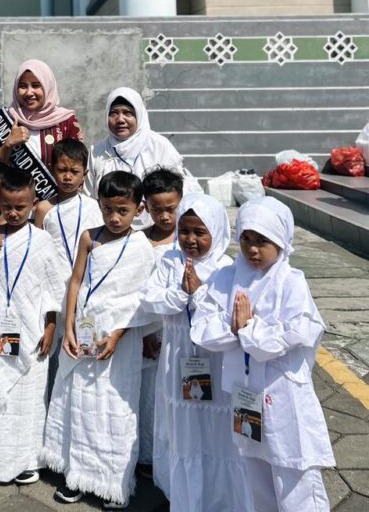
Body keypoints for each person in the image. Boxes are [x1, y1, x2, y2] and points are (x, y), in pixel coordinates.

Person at [191, 197, 334, 512]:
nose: (252, 249)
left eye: (262, 241)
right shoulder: (226, 278)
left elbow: (299, 331)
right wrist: (233, 328)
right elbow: (202, 328)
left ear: (280, 241)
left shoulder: (290, 282)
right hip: (245, 396)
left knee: (293, 473)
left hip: (282, 394)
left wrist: (249, 330)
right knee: (256, 477)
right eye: (246, 239)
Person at [42, 171, 156, 509]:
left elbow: (141, 298)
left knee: (113, 409)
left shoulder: (141, 246)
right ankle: (76, 475)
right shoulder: (89, 237)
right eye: (108, 209)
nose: (114, 218)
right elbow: (75, 282)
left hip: (118, 341)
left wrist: (118, 334)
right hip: (84, 333)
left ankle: (112, 483)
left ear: (139, 209)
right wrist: (69, 327)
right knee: (78, 403)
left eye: (123, 210)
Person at [140, 193, 251, 512]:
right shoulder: (169, 261)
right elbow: (149, 299)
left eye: (199, 232)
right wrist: (180, 293)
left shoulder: (227, 268)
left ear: (216, 231)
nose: (190, 239)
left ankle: (220, 497)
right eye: (184, 231)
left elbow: (231, 316)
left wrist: (199, 293)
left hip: (214, 360)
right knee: (183, 426)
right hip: (179, 358)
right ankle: (185, 497)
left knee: (216, 428)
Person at [0, 168, 63, 485]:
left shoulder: (43, 240)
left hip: (31, 326)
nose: (13, 213)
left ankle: (27, 459)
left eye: (20, 207)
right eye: (6, 206)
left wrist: (51, 326)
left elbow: (53, 289)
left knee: (28, 394)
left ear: (33, 204)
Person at [137, 168, 185, 475]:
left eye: (171, 208)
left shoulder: (189, 239)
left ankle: (177, 456)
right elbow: (136, 290)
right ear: (146, 206)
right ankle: (148, 456)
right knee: (148, 397)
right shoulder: (140, 240)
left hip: (180, 334)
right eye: (157, 209)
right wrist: (144, 332)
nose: (165, 216)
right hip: (149, 333)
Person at [34, 139, 102, 327]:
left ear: (84, 174)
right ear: (52, 169)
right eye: (62, 170)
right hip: (54, 284)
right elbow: (38, 250)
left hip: (85, 282)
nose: (67, 177)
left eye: (74, 171)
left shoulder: (94, 207)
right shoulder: (44, 208)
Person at [86, 87, 201, 197]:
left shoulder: (159, 146)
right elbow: (89, 195)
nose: (120, 119)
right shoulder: (97, 151)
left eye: (128, 113)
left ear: (139, 115)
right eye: (113, 113)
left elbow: (178, 191)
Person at [0, 59, 82, 172]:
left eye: (36, 86)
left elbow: (78, 168)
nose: (29, 93)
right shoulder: (4, 120)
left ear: (48, 86)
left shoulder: (66, 122)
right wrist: (8, 145)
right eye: (23, 86)